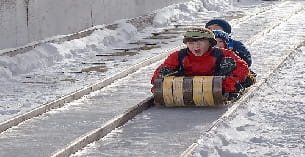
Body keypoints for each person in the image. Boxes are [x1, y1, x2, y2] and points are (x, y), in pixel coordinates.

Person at [151, 28, 250, 95]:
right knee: (166, 72)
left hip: (218, 81)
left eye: (200, 42)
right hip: (187, 84)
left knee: (231, 65)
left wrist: (229, 83)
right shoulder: (179, 55)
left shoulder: (222, 54)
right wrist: (160, 81)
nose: (196, 46)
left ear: (209, 44)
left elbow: (243, 67)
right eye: (191, 43)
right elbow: (160, 71)